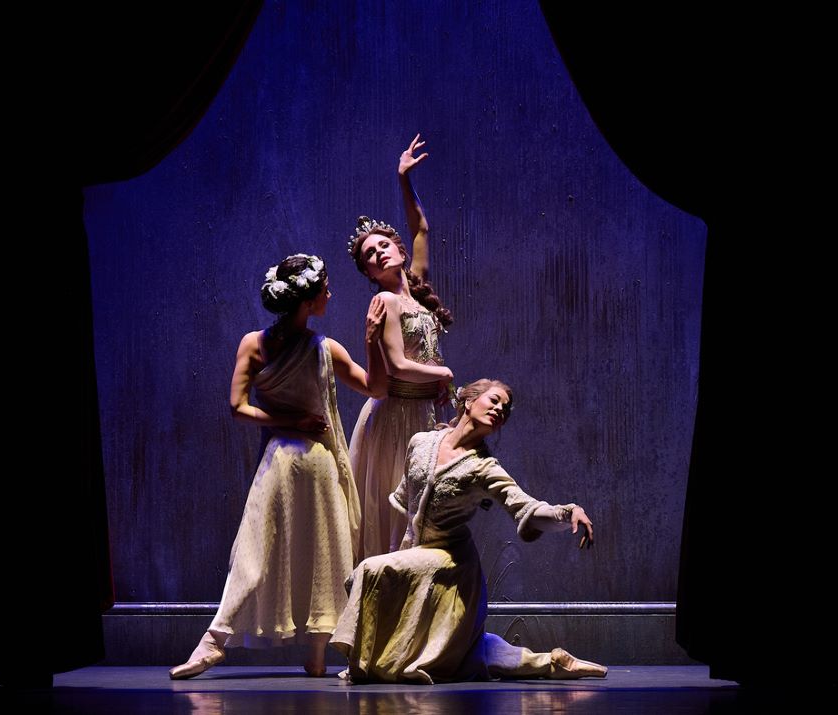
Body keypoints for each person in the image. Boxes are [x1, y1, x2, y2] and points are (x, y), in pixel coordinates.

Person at [170, 254, 386, 679]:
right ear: (306, 300)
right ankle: (213, 641)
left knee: (327, 555)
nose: (330, 293)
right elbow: (238, 408)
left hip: (320, 465)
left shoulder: (325, 349)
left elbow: (376, 387)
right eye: (324, 287)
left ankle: (318, 656)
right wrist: (292, 421)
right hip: (284, 461)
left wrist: (371, 340)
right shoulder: (256, 344)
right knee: (252, 551)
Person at [331, 379, 607, 683]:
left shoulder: (484, 467)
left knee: (371, 569)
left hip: (453, 566)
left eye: (505, 408)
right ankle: (549, 663)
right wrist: (402, 557)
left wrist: (567, 512)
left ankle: (367, 665)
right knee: (466, 655)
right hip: (420, 557)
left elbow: (526, 507)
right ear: (468, 402)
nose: (500, 409)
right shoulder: (421, 443)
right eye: (494, 400)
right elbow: (408, 507)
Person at [348, 134, 455, 559]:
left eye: (383, 245)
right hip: (398, 418)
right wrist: (444, 373)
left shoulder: (417, 290)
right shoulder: (385, 301)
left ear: (397, 249)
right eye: (370, 256)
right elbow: (395, 366)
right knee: (402, 514)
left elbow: (421, 228)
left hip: (426, 413)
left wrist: (403, 179)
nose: (379, 253)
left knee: (429, 511)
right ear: (370, 274)